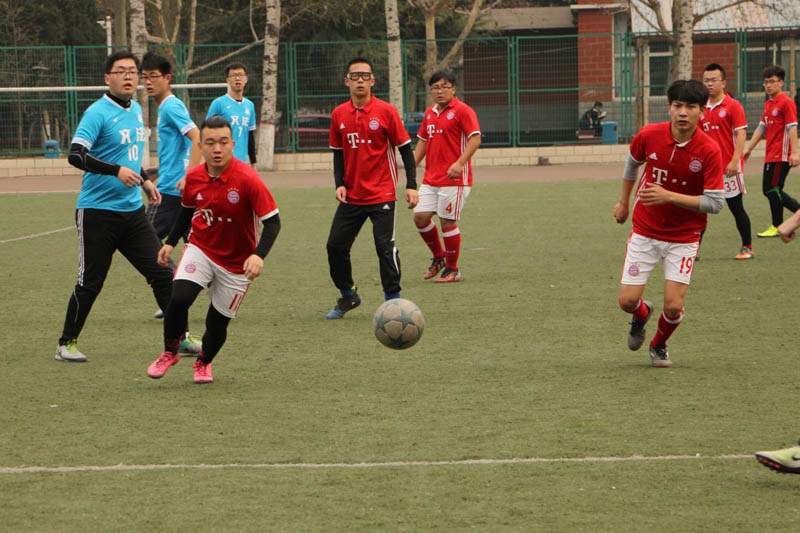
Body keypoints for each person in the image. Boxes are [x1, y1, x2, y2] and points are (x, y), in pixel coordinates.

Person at [55, 50, 195, 362]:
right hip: (97, 213)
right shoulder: (97, 112)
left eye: (133, 71)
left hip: (132, 213)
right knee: (90, 282)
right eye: (121, 71)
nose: (129, 76)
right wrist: (115, 171)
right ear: (108, 78)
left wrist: (144, 180)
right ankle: (66, 343)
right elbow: (76, 154)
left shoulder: (136, 109)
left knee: (162, 272)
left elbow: (126, 155)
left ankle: (181, 338)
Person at [146, 115, 280, 383]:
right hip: (202, 248)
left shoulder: (248, 179)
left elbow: (273, 222)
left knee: (217, 322)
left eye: (223, 142)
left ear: (232, 144)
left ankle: (204, 362)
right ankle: (170, 352)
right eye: (209, 143)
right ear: (201, 146)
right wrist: (171, 242)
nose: (217, 149)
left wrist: (258, 255)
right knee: (179, 297)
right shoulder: (194, 176)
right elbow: (186, 212)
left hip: (238, 263)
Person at [613, 79, 724, 368]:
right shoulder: (649, 134)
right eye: (678, 105)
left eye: (691, 107)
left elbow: (715, 203)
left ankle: (659, 344)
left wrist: (669, 196)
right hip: (645, 232)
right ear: (669, 108)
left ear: (702, 111)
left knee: (674, 307)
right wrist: (624, 202)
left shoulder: (709, 150)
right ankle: (641, 314)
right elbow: (632, 163)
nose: (683, 112)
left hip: (684, 237)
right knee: (626, 302)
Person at [325, 57, 418, 319]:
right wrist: (339, 183)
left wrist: (411, 185)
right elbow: (338, 153)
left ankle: (393, 303)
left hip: (382, 195)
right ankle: (348, 295)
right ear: (347, 81)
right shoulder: (339, 114)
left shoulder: (386, 111)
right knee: (335, 246)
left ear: (373, 81)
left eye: (365, 76)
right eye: (355, 76)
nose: (360, 80)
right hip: (352, 196)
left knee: (384, 248)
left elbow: (405, 150)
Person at [141, 52, 203, 320]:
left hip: (170, 192)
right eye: (145, 77)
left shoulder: (170, 106)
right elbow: (179, 147)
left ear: (167, 78)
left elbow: (197, 137)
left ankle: (173, 292)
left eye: (154, 77)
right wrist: (159, 169)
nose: (148, 82)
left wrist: (190, 176)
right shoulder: (166, 106)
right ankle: (196, 286)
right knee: (196, 246)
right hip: (172, 186)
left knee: (143, 242)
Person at [413, 70, 481, 283]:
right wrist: (411, 166)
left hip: (454, 179)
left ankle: (452, 269)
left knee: (447, 221)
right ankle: (439, 256)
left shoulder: (463, 110)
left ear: (453, 89)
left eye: (444, 87)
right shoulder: (430, 113)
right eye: (435, 88)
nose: (440, 91)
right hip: (430, 178)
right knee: (420, 217)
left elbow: (475, 139)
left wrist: (460, 163)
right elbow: (423, 142)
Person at [699, 63, 753, 260]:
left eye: (713, 80)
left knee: (736, 207)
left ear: (723, 83)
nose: (709, 84)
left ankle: (747, 247)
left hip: (729, 168)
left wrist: (734, 161)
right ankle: (693, 249)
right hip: (707, 169)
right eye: (706, 80)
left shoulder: (733, 106)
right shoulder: (701, 107)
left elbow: (741, 134)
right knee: (699, 210)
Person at [742, 65, 800, 238]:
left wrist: (795, 152)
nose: (768, 85)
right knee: (773, 189)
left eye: (772, 81)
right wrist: (749, 148)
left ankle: (777, 225)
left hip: (781, 154)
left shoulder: (787, 103)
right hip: (771, 154)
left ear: (781, 83)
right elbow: (761, 128)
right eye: (766, 82)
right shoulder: (768, 104)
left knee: (772, 189)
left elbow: (792, 128)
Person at [206, 63, 258, 170]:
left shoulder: (250, 106)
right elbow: (207, 133)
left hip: (242, 163)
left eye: (240, 75)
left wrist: (253, 162)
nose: (237, 78)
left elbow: (250, 135)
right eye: (233, 75)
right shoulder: (218, 104)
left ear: (246, 79)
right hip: (222, 162)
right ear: (227, 80)